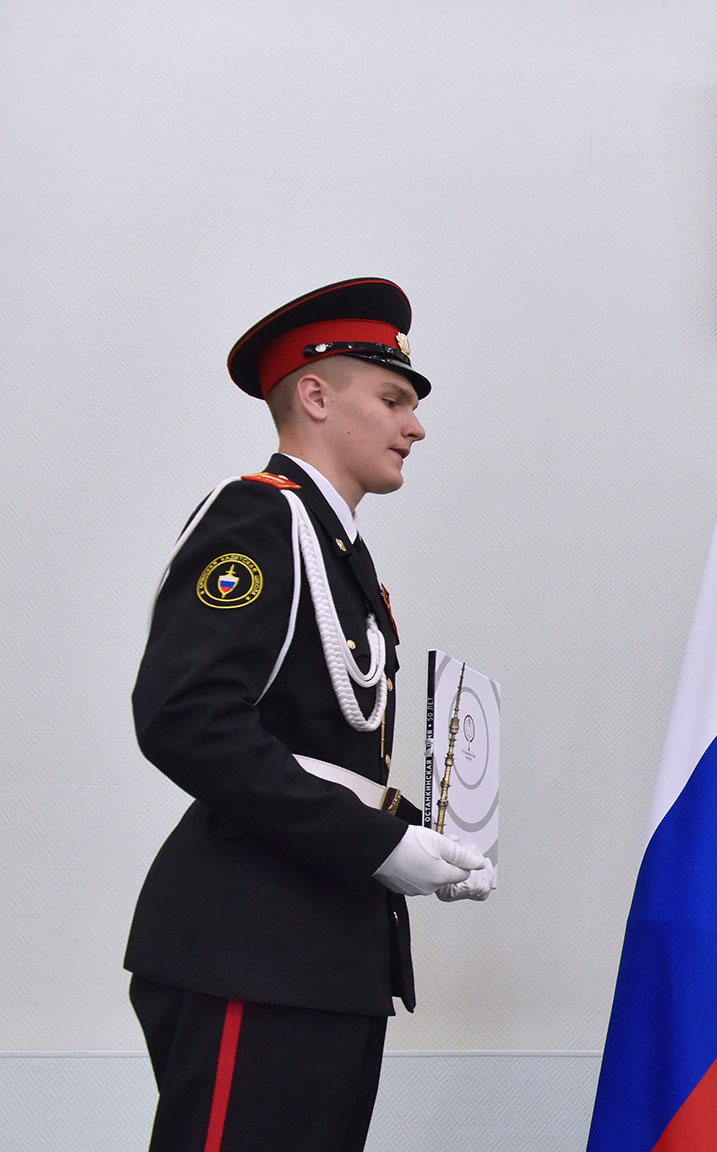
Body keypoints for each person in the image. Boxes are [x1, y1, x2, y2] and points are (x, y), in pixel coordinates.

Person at [126, 278, 496, 1152]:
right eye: (394, 399)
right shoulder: (258, 518)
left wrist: (417, 839)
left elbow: (324, 750)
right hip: (252, 946)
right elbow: (185, 716)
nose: (415, 426)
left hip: (319, 951)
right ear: (318, 396)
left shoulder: (339, 553)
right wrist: (375, 846)